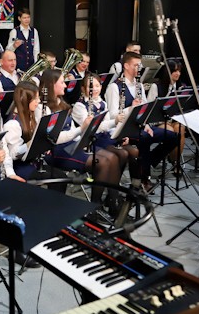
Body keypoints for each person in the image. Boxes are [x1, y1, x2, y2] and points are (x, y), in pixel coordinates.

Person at [105, 51, 178, 191]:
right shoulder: (114, 87)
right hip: (124, 128)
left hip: (140, 126)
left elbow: (145, 109)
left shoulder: (139, 85)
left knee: (173, 137)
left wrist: (147, 125)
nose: (139, 68)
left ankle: (148, 162)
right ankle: (143, 178)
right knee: (144, 139)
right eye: (136, 65)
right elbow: (112, 115)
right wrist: (130, 109)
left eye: (140, 65)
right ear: (126, 66)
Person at [71, 73, 142, 207]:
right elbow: (94, 128)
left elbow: (109, 127)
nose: (95, 89)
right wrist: (114, 122)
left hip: (105, 137)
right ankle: (112, 197)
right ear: (83, 89)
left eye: (97, 86)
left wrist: (120, 134)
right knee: (122, 153)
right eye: (90, 87)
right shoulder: (79, 106)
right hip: (92, 140)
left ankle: (130, 189)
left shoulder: (102, 102)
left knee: (133, 151)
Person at [3, 81, 69, 192]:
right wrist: (32, 143)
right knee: (56, 180)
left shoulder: (31, 114)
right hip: (20, 167)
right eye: (35, 98)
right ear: (25, 100)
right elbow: (13, 154)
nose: (38, 101)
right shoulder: (12, 124)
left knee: (61, 177)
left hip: (32, 162)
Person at [146, 59, 187, 169]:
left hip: (173, 118)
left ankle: (175, 161)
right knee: (170, 131)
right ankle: (154, 158)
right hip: (158, 120)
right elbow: (149, 107)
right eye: (175, 71)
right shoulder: (156, 86)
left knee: (180, 129)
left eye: (179, 71)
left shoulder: (181, 87)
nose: (178, 73)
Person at [7, 8, 41, 72]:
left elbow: (36, 49)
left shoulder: (34, 31)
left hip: (31, 66)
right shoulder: (14, 31)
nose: (27, 20)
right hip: (18, 67)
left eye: (28, 17)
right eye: (24, 18)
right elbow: (8, 50)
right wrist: (14, 46)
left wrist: (36, 65)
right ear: (19, 18)